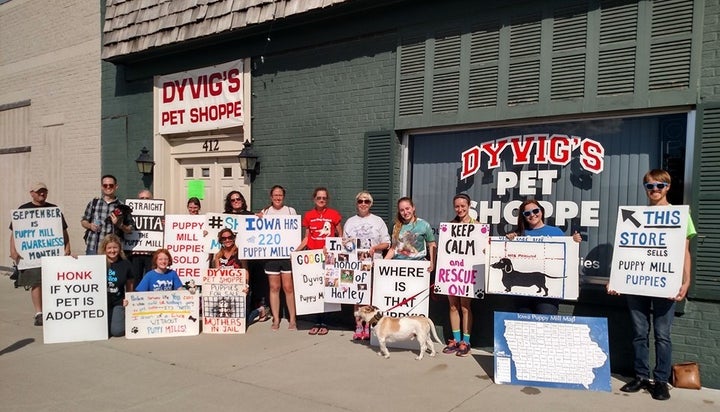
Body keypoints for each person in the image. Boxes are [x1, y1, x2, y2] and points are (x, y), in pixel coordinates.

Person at [608, 169, 696, 401]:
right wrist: (616, 279)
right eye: (650, 186)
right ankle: (641, 377)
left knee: (662, 335)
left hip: (665, 283)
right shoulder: (635, 217)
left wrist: (686, 281)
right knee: (639, 333)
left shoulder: (679, 215)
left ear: (667, 187)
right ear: (645, 188)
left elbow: (684, 252)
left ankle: (660, 381)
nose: (655, 190)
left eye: (659, 185)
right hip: (636, 284)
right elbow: (626, 252)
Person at [9, 182, 71, 326]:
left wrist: (67, 247)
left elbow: (64, 231)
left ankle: (53, 309)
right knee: (36, 283)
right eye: (38, 192)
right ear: (32, 193)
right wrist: (13, 250)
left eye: (44, 191)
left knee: (54, 282)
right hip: (31, 256)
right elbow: (15, 233)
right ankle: (39, 313)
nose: (41, 194)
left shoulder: (53, 210)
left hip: (53, 254)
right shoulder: (23, 210)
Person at [506, 199, 581, 315]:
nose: (532, 215)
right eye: (527, 213)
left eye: (535, 210)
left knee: (546, 325)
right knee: (523, 327)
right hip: (523, 292)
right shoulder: (518, 234)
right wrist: (495, 246)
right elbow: (505, 254)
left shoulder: (556, 232)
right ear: (523, 216)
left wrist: (574, 241)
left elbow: (566, 255)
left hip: (549, 294)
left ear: (541, 211)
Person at [343, 191, 390, 340]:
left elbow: (387, 243)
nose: (363, 204)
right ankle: (358, 326)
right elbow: (343, 243)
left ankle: (369, 326)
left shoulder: (378, 221)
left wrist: (375, 248)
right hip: (355, 265)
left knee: (370, 298)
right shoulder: (350, 222)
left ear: (370, 204)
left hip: (373, 265)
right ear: (356, 204)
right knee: (357, 297)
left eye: (366, 202)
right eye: (360, 201)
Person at [297, 187, 342, 336]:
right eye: (319, 198)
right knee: (315, 288)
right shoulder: (309, 215)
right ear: (314, 199)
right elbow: (307, 237)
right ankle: (316, 321)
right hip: (312, 257)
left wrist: (331, 248)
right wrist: (296, 252)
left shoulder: (334, 214)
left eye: (324, 198)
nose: (321, 200)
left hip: (328, 257)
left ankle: (325, 322)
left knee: (327, 287)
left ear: (327, 200)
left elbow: (339, 236)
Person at [259, 185, 298, 331]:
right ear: (271, 197)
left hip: (286, 255)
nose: (277, 197)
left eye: (280, 195)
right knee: (274, 287)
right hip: (271, 256)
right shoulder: (266, 212)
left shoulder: (290, 211)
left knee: (288, 288)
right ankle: (276, 320)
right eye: (275, 195)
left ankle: (292, 320)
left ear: (284, 196)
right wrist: (257, 219)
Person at [442, 193, 476, 357]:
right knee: (453, 305)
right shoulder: (450, 226)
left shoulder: (477, 226)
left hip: (467, 273)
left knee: (465, 306)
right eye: (457, 206)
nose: (460, 209)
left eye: (463, 206)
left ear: (469, 206)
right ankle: (455, 340)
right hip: (452, 272)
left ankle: (466, 341)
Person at [212, 228, 269, 325]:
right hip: (225, 289)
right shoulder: (218, 256)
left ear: (234, 238)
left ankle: (260, 310)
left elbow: (245, 270)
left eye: (230, 237)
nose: (227, 240)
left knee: (243, 322)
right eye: (224, 238)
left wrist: (246, 286)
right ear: (221, 240)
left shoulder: (240, 252)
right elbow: (217, 274)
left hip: (240, 288)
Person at [80, 175, 132, 255]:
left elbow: (130, 229)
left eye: (111, 185)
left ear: (116, 186)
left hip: (112, 251)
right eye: (105, 185)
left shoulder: (122, 207)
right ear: (102, 187)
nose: (108, 187)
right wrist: (90, 226)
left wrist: (119, 225)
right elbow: (84, 221)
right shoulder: (94, 203)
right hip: (94, 247)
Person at [100, 234, 133, 337]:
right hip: (101, 302)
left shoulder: (126, 263)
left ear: (119, 248)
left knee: (117, 331)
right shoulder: (97, 262)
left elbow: (130, 284)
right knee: (101, 331)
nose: (112, 251)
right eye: (109, 248)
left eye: (115, 247)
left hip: (118, 301)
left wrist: (128, 298)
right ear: (104, 249)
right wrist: (74, 259)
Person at [127, 190, 153, 285]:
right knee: (135, 280)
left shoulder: (158, 214)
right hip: (135, 253)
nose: (144, 200)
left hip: (151, 253)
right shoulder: (130, 214)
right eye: (142, 198)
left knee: (150, 279)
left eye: (147, 198)